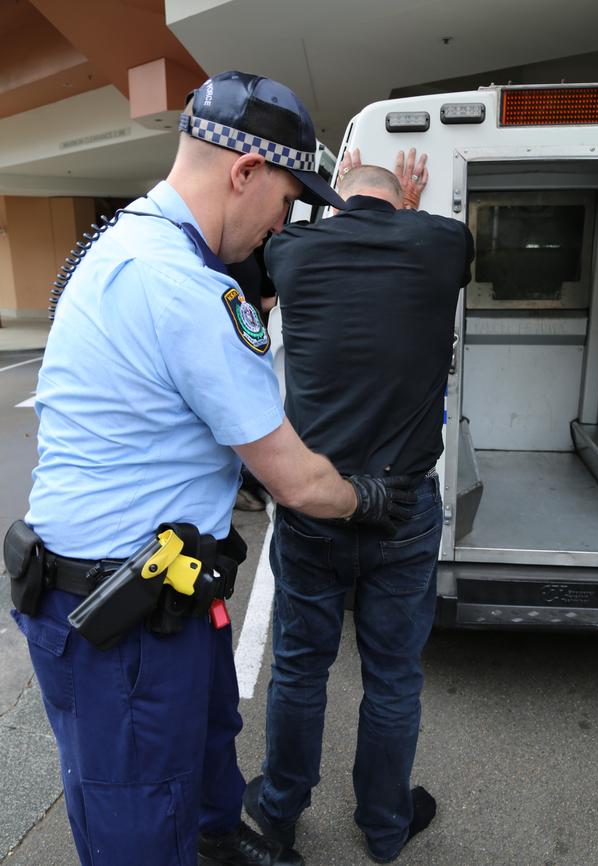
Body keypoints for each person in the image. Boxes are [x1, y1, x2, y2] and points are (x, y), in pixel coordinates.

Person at [4, 73, 416, 866]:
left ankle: (220, 845)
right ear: (245, 173)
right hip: (121, 619)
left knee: (204, 749)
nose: (280, 224)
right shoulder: (183, 287)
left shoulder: (128, 241)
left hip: (153, 593)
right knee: (138, 819)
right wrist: (364, 498)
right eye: (289, 199)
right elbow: (295, 479)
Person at [243, 147, 475, 863]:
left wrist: (351, 203)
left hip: (317, 506)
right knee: (394, 677)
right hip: (405, 510)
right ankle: (383, 825)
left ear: (337, 197)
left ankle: (279, 811)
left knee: (301, 666)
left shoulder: (294, 250)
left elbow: (280, 270)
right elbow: (421, 232)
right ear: (405, 194)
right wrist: (408, 206)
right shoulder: (445, 244)